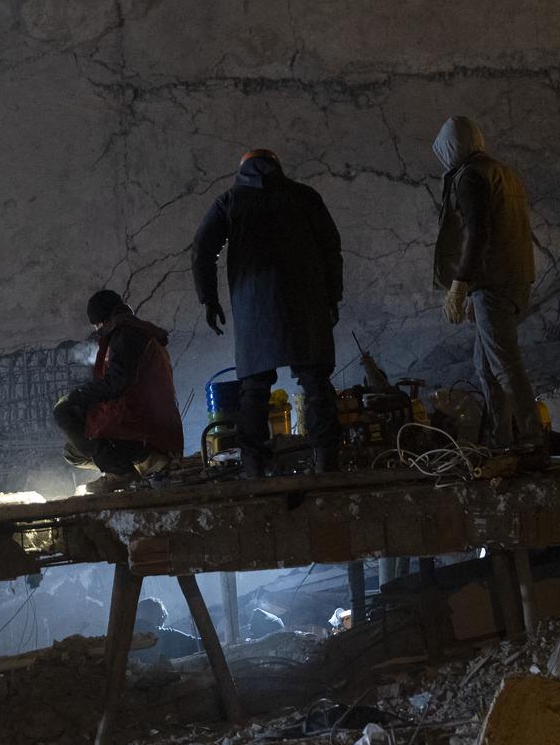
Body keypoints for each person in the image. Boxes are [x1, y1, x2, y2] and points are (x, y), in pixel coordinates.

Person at [191, 149, 344, 477]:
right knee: (315, 383)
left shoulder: (230, 201)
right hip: (307, 300)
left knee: (255, 388)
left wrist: (209, 299)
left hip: (253, 305)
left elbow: (202, 250)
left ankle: (254, 466)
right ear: (278, 166)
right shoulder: (305, 197)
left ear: (241, 169)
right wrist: (333, 297)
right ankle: (326, 462)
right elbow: (331, 247)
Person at [432, 116, 542, 449]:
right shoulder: (503, 172)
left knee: (504, 365)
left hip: (492, 283)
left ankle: (532, 440)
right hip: (515, 277)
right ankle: (502, 441)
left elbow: (476, 232)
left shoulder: (470, 177)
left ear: (451, 147)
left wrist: (459, 283)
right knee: (487, 366)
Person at [53, 290, 184, 493]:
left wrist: (77, 396)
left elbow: (117, 382)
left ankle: (123, 470)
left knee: (63, 412)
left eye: (96, 327)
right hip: (153, 424)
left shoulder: (126, 335)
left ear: (102, 321)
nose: (97, 331)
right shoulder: (135, 332)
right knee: (74, 450)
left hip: (146, 426)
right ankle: (143, 462)